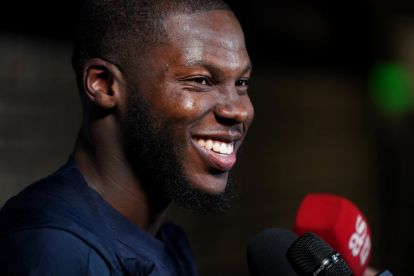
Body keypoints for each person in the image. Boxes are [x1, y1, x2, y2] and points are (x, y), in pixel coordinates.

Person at [0, 0, 254, 275]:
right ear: (104, 84)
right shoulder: (55, 251)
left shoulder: (164, 243)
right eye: (200, 80)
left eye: (241, 83)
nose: (238, 110)